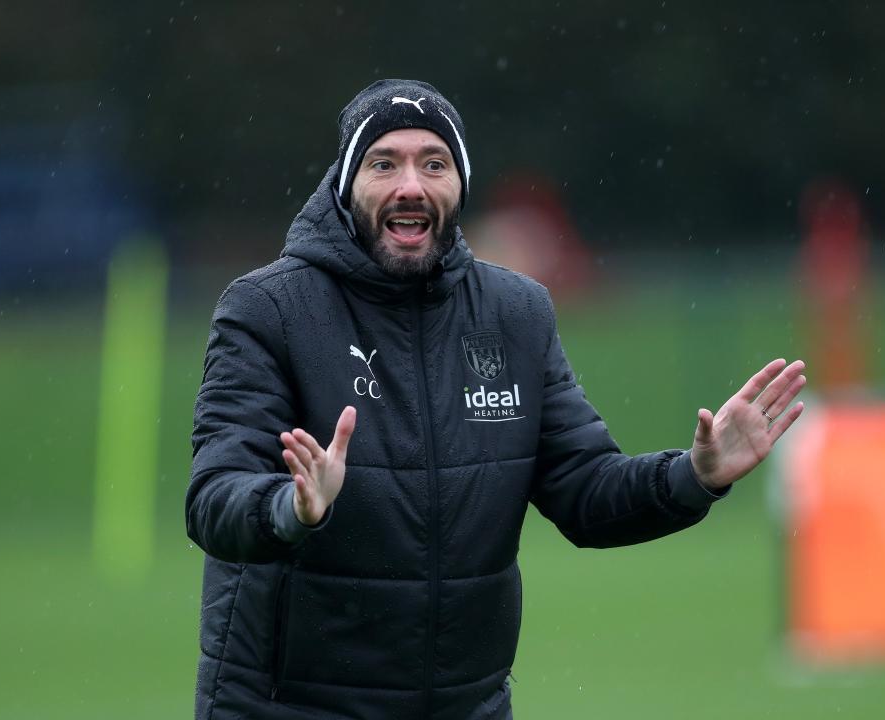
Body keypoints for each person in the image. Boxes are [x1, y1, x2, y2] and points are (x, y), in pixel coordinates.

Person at [185, 79, 806, 720]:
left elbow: (586, 490)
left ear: (460, 185)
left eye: (434, 164)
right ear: (346, 186)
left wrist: (693, 476)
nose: (411, 186)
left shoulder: (516, 312)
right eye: (383, 164)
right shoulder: (267, 309)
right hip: (289, 707)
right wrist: (289, 509)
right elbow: (213, 497)